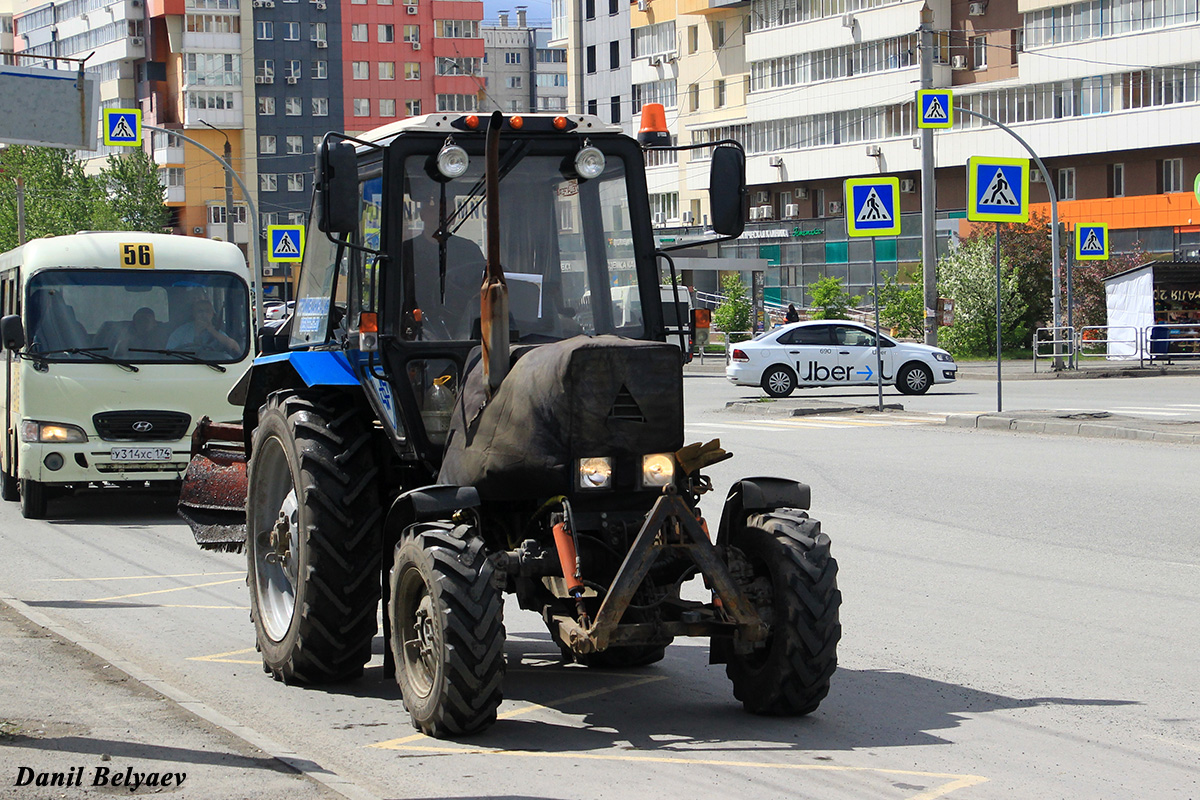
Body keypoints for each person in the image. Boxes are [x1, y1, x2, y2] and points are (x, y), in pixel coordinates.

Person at [402, 182, 487, 339]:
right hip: (418, 330)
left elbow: (481, 290)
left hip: (465, 327)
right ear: (422, 214)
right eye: (434, 209)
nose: (441, 215)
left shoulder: (469, 250)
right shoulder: (406, 251)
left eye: (446, 210)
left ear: (454, 216)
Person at [166, 298, 240, 356]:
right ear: (194, 314)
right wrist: (197, 333)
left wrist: (212, 331)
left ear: (212, 314)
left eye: (207, 311)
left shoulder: (217, 333)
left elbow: (235, 348)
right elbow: (169, 353)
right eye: (200, 311)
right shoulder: (181, 332)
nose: (204, 315)